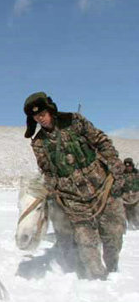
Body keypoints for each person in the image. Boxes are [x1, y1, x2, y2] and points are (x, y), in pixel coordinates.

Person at [23, 92, 126, 280]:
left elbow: (101, 141)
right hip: (73, 198)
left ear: (50, 110)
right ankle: (98, 280)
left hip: (102, 187)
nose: (40, 118)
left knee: (113, 235)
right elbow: (47, 171)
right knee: (86, 242)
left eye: (42, 113)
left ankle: (112, 270)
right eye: (36, 117)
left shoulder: (75, 121)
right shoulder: (38, 143)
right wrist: (53, 189)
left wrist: (114, 165)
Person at [122, 158, 139, 228]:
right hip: (125, 197)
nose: (128, 168)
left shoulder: (137, 174)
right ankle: (129, 226)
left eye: (130, 166)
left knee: (136, 211)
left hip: (136, 196)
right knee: (126, 213)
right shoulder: (122, 174)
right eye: (127, 166)